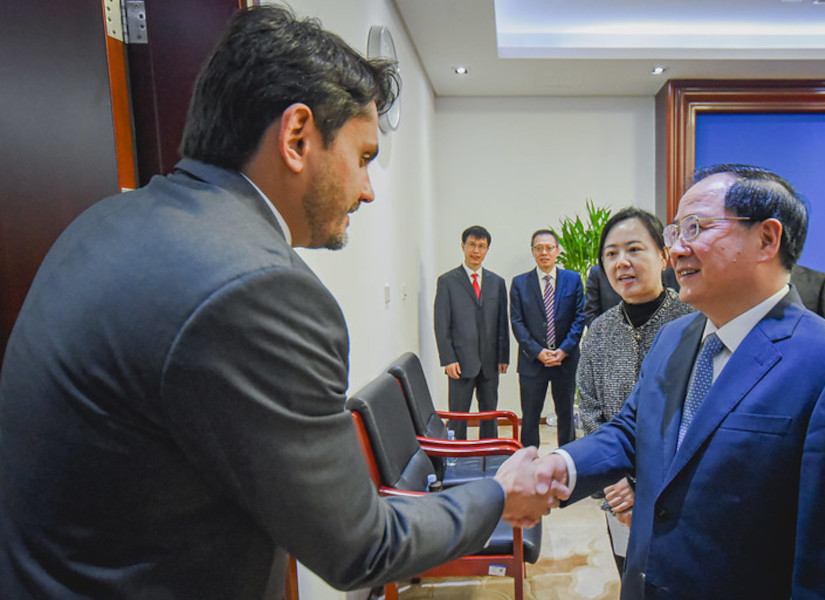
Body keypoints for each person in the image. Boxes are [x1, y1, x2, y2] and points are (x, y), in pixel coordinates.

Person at [0, 7, 561, 599]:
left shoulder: (105, 220)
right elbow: (361, 547)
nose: (368, 189)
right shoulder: (259, 288)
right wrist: (499, 493)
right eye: (364, 157)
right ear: (297, 137)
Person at [529, 164, 825, 600]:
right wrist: (561, 466)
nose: (677, 250)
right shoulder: (675, 338)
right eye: (675, 232)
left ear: (766, 238)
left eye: (696, 228)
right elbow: (633, 431)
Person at [576, 207, 694, 574]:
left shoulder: (693, 324)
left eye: (634, 250)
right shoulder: (600, 330)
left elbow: (696, 418)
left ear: (663, 256)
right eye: (611, 254)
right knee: (630, 575)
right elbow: (590, 409)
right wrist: (616, 483)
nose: (621, 262)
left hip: (680, 496)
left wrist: (642, 483)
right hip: (617, 495)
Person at [510, 229, 586, 448]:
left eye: (549, 248)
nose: (544, 252)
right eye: (539, 248)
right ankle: (529, 460)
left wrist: (564, 350)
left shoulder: (572, 279)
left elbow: (579, 318)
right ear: (533, 251)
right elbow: (517, 322)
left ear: (557, 251)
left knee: (566, 414)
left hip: (565, 360)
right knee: (530, 416)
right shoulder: (520, 283)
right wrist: (538, 352)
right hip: (533, 361)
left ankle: (566, 460)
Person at [433, 225, 510, 439]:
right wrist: (447, 359)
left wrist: (503, 356)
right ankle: (457, 460)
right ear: (463, 246)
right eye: (472, 245)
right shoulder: (447, 281)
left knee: (489, 415)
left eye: (481, 246)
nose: (476, 251)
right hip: (459, 362)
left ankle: (489, 456)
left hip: (490, 362)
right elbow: (441, 324)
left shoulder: (497, 283)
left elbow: (502, 323)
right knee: (458, 417)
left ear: (487, 250)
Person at [583, 262, 679, 327]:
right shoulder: (598, 273)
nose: (623, 261)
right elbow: (590, 312)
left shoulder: (665, 271)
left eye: (634, 249)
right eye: (612, 253)